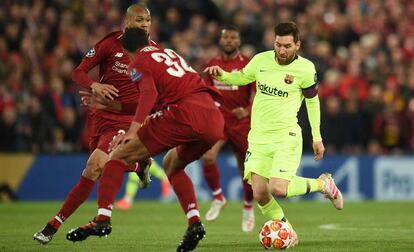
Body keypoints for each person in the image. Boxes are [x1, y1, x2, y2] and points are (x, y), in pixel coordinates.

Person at [66, 28, 224, 252]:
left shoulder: (137, 62)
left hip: (183, 113)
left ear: (127, 51)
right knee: (172, 164)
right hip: (213, 118)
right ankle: (194, 223)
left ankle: (102, 219)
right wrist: (113, 106)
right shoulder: (169, 53)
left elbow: (148, 95)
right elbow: (154, 99)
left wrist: (132, 130)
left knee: (117, 157)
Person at [204, 21, 344, 248]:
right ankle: (287, 230)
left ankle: (323, 184)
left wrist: (316, 137)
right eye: (278, 45)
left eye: (287, 46)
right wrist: (223, 75)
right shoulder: (261, 60)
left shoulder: (306, 69)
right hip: (258, 138)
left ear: (297, 45)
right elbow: (241, 77)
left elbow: (313, 103)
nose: (282, 50)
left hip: (285, 136)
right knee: (259, 192)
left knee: (278, 188)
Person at [33, 3, 155, 244]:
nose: (144, 25)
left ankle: (52, 226)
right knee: (96, 169)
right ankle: (139, 165)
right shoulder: (109, 43)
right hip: (100, 118)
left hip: (127, 119)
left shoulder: (153, 52)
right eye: (140, 20)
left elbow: (152, 96)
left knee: (93, 166)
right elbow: (77, 73)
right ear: (128, 22)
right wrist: (94, 85)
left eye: (148, 21)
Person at [201, 25, 255, 232]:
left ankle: (248, 207)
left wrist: (247, 110)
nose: (229, 40)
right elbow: (204, 90)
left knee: (246, 170)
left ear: (239, 41)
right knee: (207, 156)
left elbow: (257, 92)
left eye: (233, 37)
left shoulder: (247, 63)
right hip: (219, 120)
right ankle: (218, 196)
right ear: (221, 40)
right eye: (226, 37)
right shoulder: (212, 63)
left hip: (241, 122)